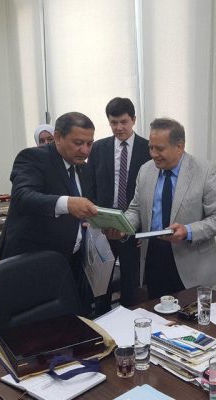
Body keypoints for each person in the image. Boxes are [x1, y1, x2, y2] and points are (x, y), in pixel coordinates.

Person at [107, 118, 216, 299]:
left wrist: (187, 231)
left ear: (179, 146)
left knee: (190, 315)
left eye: (160, 149)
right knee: (157, 312)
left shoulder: (204, 171)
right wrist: (122, 227)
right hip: (154, 258)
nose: (153, 154)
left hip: (191, 262)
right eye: (151, 148)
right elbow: (136, 210)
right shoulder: (145, 170)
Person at [0, 112, 99, 316]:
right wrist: (66, 203)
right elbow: (22, 197)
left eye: (89, 144)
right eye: (78, 143)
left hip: (71, 263)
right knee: (35, 324)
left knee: (72, 321)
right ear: (58, 137)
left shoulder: (84, 169)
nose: (85, 150)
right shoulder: (33, 158)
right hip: (33, 262)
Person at [87, 98, 151, 308]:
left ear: (134, 120)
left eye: (124, 122)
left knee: (131, 281)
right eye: (113, 123)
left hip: (133, 224)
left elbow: (150, 191)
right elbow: (90, 184)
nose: (119, 127)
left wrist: (143, 227)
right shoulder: (98, 148)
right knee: (101, 280)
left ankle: (129, 315)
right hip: (103, 222)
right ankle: (102, 316)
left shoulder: (147, 148)